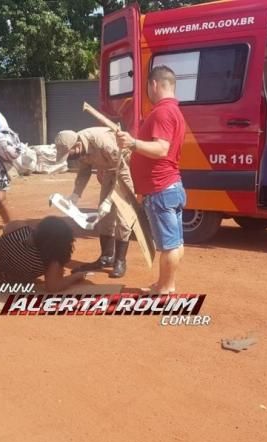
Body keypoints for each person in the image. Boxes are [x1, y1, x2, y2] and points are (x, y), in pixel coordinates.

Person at [115, 65, 187, 294]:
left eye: (148, 85)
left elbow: (161, 148)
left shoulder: (162, 112)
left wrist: (133, 143)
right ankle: (165, 283)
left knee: (169, 245)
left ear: (154, 84)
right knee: (175, 243)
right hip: (169, 186)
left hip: (161, 189)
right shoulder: (175, 112)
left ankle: (166, 288)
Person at [54, 127, 133, 278]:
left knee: (123, 219)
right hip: (110, 171)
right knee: (103, 216)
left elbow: (121, 173)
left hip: (124, 170)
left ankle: (120, 261)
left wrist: (110, 200)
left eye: (69, 154)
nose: (70, 158)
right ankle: (106, 257)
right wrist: (76, 195)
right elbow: (84, 172)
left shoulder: (103, 144)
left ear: (76, 146)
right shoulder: (81, 149)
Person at [0, 216, 87, 292]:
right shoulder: (51, 261)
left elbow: (7, 227)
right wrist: (75, 277)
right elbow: (53, 287)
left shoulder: (20, 229)